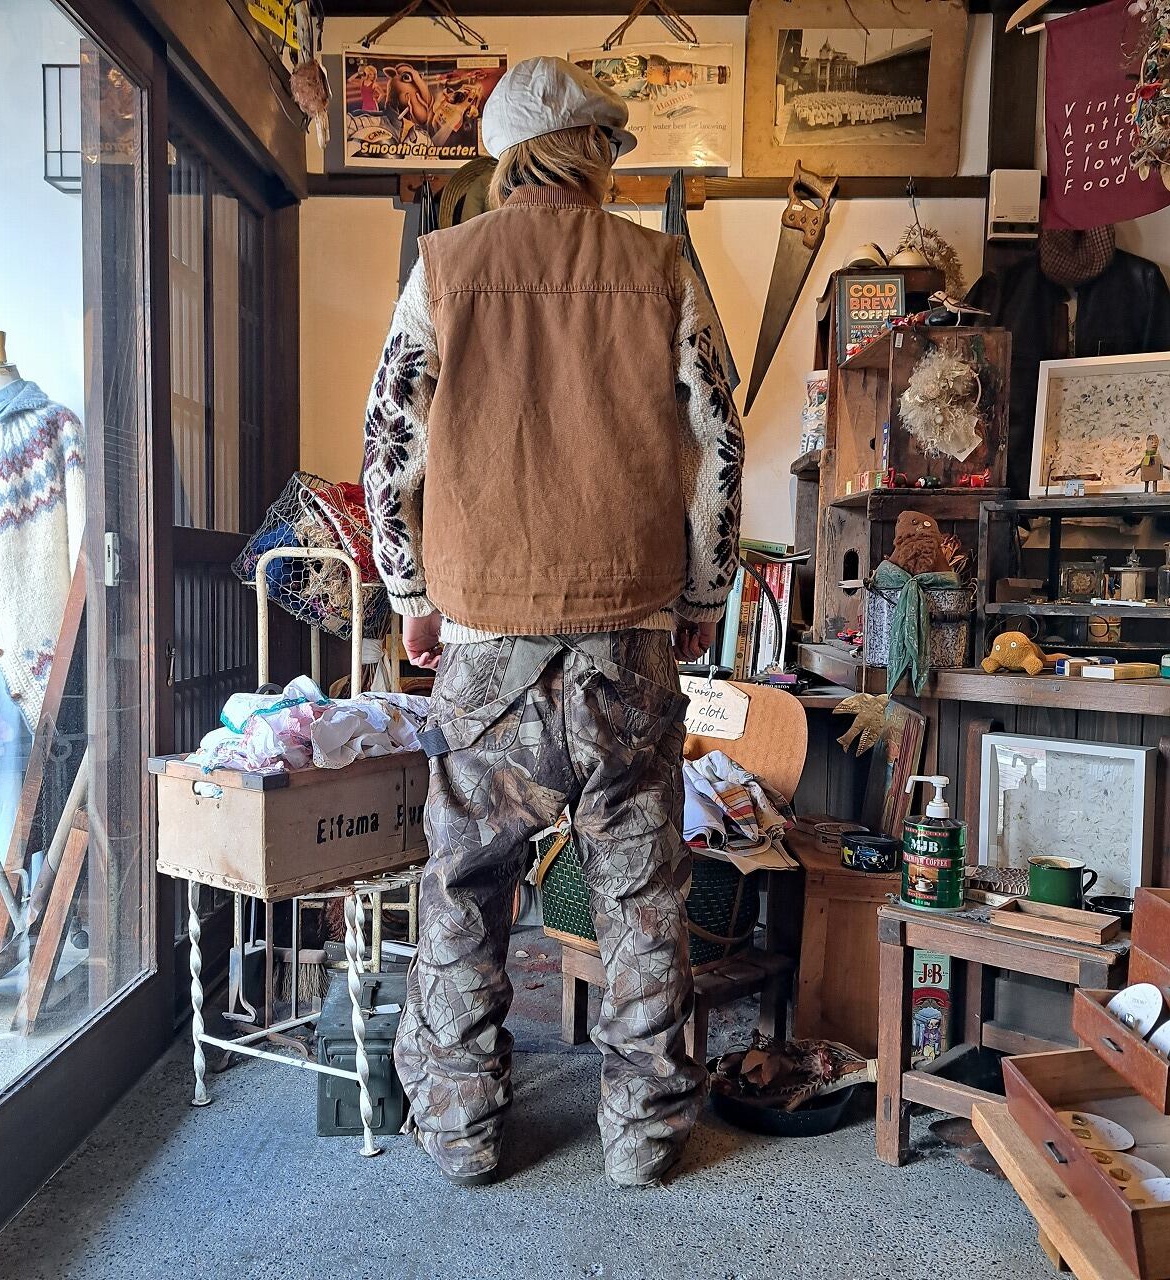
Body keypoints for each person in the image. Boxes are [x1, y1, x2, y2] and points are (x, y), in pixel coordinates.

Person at [362, 55, 743, 1189]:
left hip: (485, 643)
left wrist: (411, 598)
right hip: (628, 638)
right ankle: (643, 1136)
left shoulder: (445, 266)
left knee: (464, 889)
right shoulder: (659, 266)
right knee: (640, 895)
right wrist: (702, 597)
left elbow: (388, 447)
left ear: (505, 157)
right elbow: (720, 443)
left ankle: (465, 1132)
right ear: (593, 157)